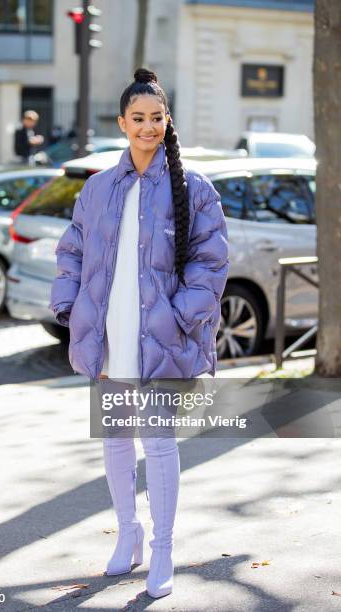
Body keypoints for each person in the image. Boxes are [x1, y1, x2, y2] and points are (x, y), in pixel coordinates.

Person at [49, 68, 229, 599]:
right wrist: (69, 307)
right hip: (108, 336)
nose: (147, 127)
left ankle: (163, 550)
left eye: (156, 118)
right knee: (115, 441)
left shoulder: (193, 188)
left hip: (161, 337)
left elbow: (210, 263)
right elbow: (73, 251)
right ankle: (127, 535)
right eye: (138, 118)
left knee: (159, 443)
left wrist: (177, 316)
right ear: (122, 122)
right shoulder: (100, 187)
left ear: (166, 121)